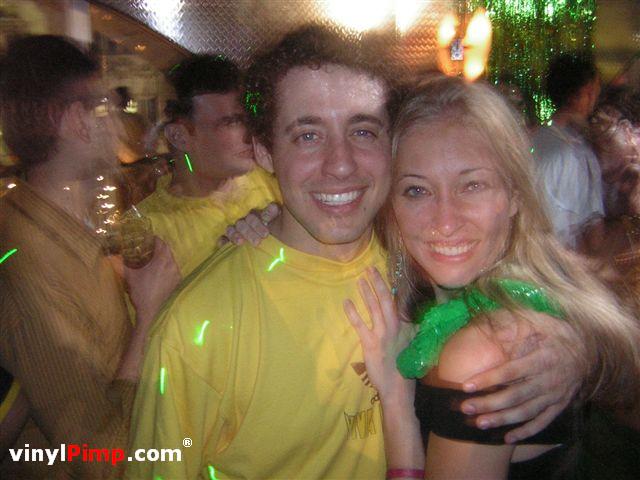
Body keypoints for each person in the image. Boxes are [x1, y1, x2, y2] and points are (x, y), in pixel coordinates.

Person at [128, 26, 586, 480]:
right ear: (265, 152)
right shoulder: (196, 325)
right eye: (308, 136)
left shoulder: (418, 257)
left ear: (390, 148)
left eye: (363, 131)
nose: (341, 164)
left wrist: (575, 349)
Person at [345, 76, 640, 479]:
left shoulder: (486, 352)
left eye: (472, 185)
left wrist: (396, 397)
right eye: (416, 191)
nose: (445, 221)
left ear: (515, 194)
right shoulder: (459, 302)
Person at [0, 35, 171, 478]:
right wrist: (150, 313)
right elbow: (100, 458)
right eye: (106, 107)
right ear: (78, 120)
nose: (117, 124)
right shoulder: (27, 266)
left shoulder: (65, 229)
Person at [134, 54, 281, 282]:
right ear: (179, 136)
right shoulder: (150, 230)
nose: (249, 134)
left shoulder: (271, 181)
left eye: (248, 120)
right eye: (231, 123)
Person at [532, 53, 603, 248]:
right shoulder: (576, 152)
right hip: (559, 261)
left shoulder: (531, 139)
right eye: (594, 91)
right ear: (586, 92)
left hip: (528, 256)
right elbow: (591, 233)